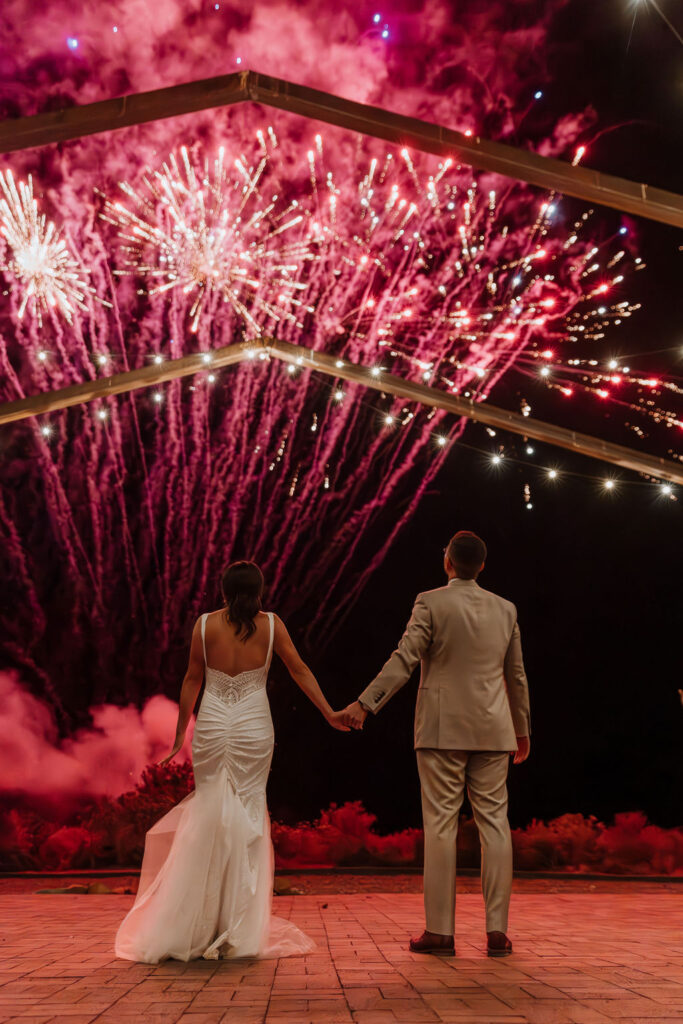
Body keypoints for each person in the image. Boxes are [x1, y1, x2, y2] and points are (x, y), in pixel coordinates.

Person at [115, 561, 348, 963]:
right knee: (247, 813)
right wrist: (328, 712)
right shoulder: (272, 625)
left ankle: (198, 923)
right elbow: (300, 670)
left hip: (214, 725)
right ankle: (235, 926)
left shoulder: (204, 625)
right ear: (259, 590)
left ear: (223, 589)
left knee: (210, 810)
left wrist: (178, 736)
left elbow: (191, 679)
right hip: (253, 727)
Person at [341, 531, 531, 958]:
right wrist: (522, 730)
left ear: (447, 562)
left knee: (441, 826)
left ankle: (440, 933)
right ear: (482, 565)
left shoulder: (430, 601)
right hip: (495, 730)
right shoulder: (506, 609)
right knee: (496, 825)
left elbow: (404, 658)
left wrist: (365, 704)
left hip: (442, 730)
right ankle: (497, 932)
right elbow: (515, 675)